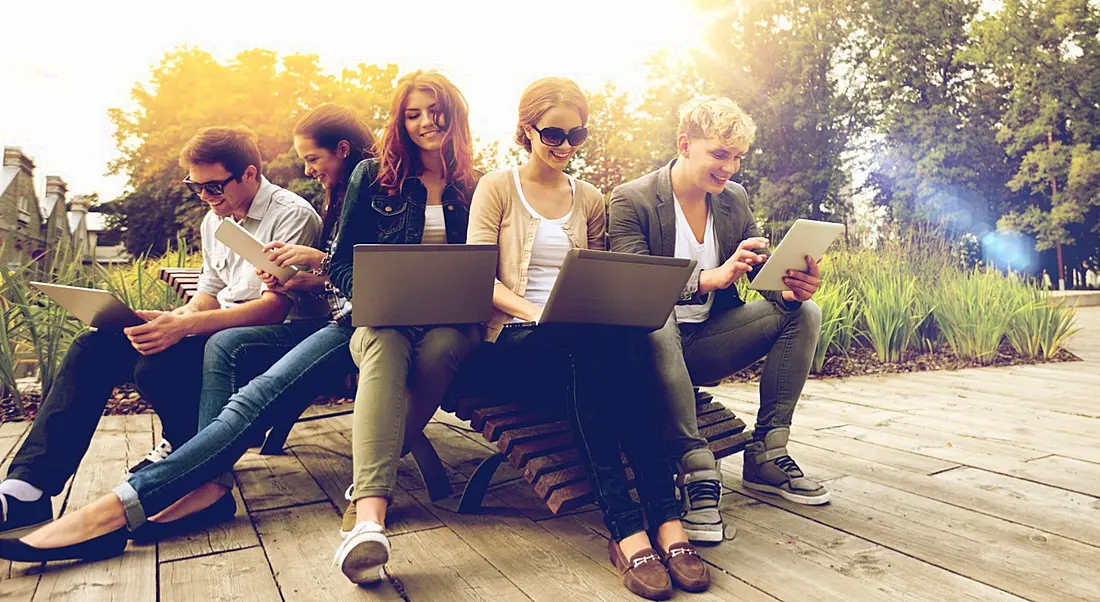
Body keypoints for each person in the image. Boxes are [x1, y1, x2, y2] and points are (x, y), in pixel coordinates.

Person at [0, 125, 321, 536]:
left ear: (250, 174)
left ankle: (189, 466)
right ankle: (27, 487)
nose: (206, 197)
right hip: (217, 329)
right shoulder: (215, 220)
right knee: (93, 346)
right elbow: (208, 294)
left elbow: (273, 308)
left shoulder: (290, 214)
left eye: (214, 187)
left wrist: (186, 326)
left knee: (157, 365)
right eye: (197, 187)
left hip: (273, 339)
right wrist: (170, 318)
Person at [467, 77, 709, 600]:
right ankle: (627, 525)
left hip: (578, 346)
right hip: (511, 343)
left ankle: (665, 521)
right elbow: (476, 278)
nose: (565, 145)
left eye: (578, 135)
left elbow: (599, 278)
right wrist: (538, 312)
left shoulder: (592, 199)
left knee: (626, 344)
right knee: (593, 347)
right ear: (526, 129)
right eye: (553, 132)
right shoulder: (497, 187)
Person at [608, 96, 827, 545]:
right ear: (684, 144)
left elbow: (753, 272)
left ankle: (767, 452)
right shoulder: (631, 200)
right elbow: (634, 289)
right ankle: (694, 465)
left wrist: (786, 287)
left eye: (738, 157)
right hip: (648, 348)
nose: (729, 168)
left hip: (708, 341)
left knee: (804, 312)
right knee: (657, 317)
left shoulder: (732, 200)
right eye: (719, 154)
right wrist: (709, 277)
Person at [329, 70, 483, 585]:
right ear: (400, 121)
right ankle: (370, 520)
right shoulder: (373, 176)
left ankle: (361, 493)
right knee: (386, 345)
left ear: (454, 116)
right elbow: (339, 263)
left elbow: (488, 267)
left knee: (441, 350)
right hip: (385, 317)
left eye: (434, 112)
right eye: (412, 114)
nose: (424, 123)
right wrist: (372, 295)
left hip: (449, 321)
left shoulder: (474, 185)